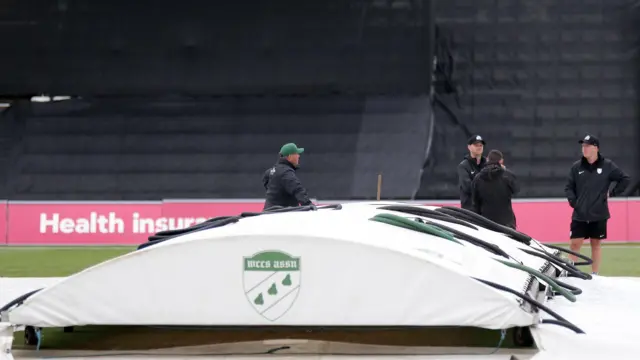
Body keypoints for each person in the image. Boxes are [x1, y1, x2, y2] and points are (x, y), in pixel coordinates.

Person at [564, 134, 630, 275]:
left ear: (596, 148)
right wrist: (574, 203)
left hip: (599, 213)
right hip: (580, 214)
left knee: (596, 244)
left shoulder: (607, 165)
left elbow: (624, 179)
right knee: (575, 244)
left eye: (587, 146)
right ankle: (571, 274)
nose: (584, 149)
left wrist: (612, 194)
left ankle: (595, 275)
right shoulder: (576, 167)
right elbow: (569, 187)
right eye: (583, 146)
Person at [471, 149, 519, 229]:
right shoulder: (508, 176)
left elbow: (475, 202)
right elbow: (516, 190)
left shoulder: (477, 178)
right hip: (506, 223)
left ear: (487, 159)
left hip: (485, 223)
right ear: (501, 161)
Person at [262, 142, 313, 210]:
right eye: (296, 153)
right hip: (280, 215)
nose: (298, 156)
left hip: (269, 212)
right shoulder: (286, 172)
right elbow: (297, 189)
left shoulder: (272, 170)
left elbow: (265, 180)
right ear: (290, 156)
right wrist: (309, 204)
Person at [457, 135, 487, 210]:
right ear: (469, 147)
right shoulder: (463, 166)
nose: (479, 147)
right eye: (476, 145)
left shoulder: (487, 164)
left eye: (481, 145)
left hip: (485, 208)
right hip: (470, 209)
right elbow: (468, 187)